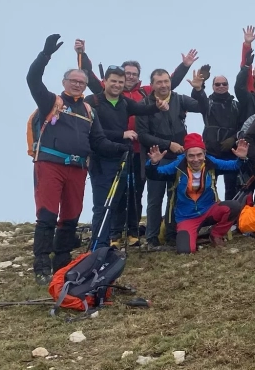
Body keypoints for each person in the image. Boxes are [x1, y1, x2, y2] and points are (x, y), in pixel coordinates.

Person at [27, 35, 130, 285]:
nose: (77, 84)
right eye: (73, 81)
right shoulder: (51, 102)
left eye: (81, 82)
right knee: (47, 214)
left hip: (77, 167)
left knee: (71, 215)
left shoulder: (88, 110)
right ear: (64, 82)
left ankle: (62, 263)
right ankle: (42, 265)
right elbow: (33, 79)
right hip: (50, 164)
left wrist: (122, 148)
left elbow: (99, 142)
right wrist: (45, 55)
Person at [74, 40, 194, 245]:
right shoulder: (104, 94)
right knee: (115, 194)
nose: (129, 77)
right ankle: (113, 234)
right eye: (126, 74)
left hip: (140, 151)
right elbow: (90, 77)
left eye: (133, 74)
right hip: (110, 149)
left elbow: (167, 83)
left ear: (139, 77)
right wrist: (82, 55)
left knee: (134, 192)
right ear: (109, 80)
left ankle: (133, 231)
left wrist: (184, 66)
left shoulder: (145, 92)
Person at [84, 66, 166, 248]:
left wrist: (157, 106)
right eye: (113, 81)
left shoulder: (124, 102)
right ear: (104, 81)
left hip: (121, 158)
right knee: (102, 204)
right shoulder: (92, 101)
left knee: (121, 199)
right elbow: (92, 131)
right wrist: (121, 134)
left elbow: (143, 109)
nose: (117, 85)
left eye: (120, 82)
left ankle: (112, 240)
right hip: (100, 160)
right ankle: (99, 246)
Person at [135, 69, 209, 249]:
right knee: (155, 199)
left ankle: (171, 235)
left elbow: (203, 108)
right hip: (157, 158)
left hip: (179, 157)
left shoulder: (179, 99)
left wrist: (199, 90)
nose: (163, 85)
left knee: (175, 197)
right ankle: (151, 239)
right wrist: (168, 144)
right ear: (152, 85)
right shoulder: (144, 105)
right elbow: (142, 135)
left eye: (166, 81)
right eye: (159, 82)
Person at [145, 134, 246, 254]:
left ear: (204, 153)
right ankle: (193, 235)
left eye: (199, 155)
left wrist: (241, 159)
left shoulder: (210, 162)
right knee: (185, 250)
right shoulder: (178, 165)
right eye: (191, 156)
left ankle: (216, 235)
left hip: (209, 210)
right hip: (187, 217)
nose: (196, 159)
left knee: (234, 206)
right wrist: (153, 164)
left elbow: (233, 166)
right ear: (185, 155)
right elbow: (155, 175)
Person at [197, 74, 243, 201]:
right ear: (212, 86)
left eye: (224, 84)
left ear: (228, 86)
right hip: (211, 150)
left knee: (232, 188)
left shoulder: (236, 105)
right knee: (209, 187)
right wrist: (199, 86)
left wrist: (233, 138)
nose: (221, 86)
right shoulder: (207, 103)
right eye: (217, 84)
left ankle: (230, 212)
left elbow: (243, 126)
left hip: (231, 151)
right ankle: (209, 211)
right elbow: (198, 97)